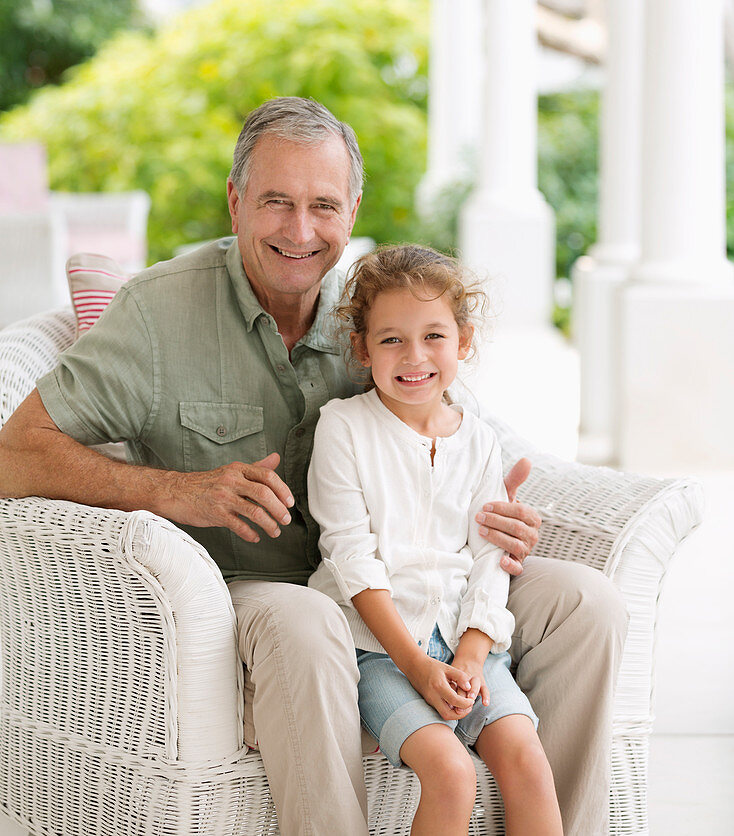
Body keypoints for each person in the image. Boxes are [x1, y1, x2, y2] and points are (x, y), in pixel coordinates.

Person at [0, 97, 627, 836]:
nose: (301, 232)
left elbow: (456, 430)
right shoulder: (157, 316)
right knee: (307, 621)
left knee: (590, 603)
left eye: (324, 206)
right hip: (251, 591)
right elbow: (12, 453)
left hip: (407, 576)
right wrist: (175, 493)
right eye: (277, 203)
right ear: (236, 202)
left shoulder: (374, 313)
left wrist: (498, 513)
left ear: (352, 209)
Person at [308, 245, 563, 835]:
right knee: (451, 773)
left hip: (466, 643)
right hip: (380, 651)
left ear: (463, 341)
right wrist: (419, 667)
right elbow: (350, 558)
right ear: (362, 347)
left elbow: (489, 559)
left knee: (526, 758)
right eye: (392, 339)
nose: (414, 356)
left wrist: (471, 658)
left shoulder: (479, 442)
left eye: (434, 336)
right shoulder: (343, 428)